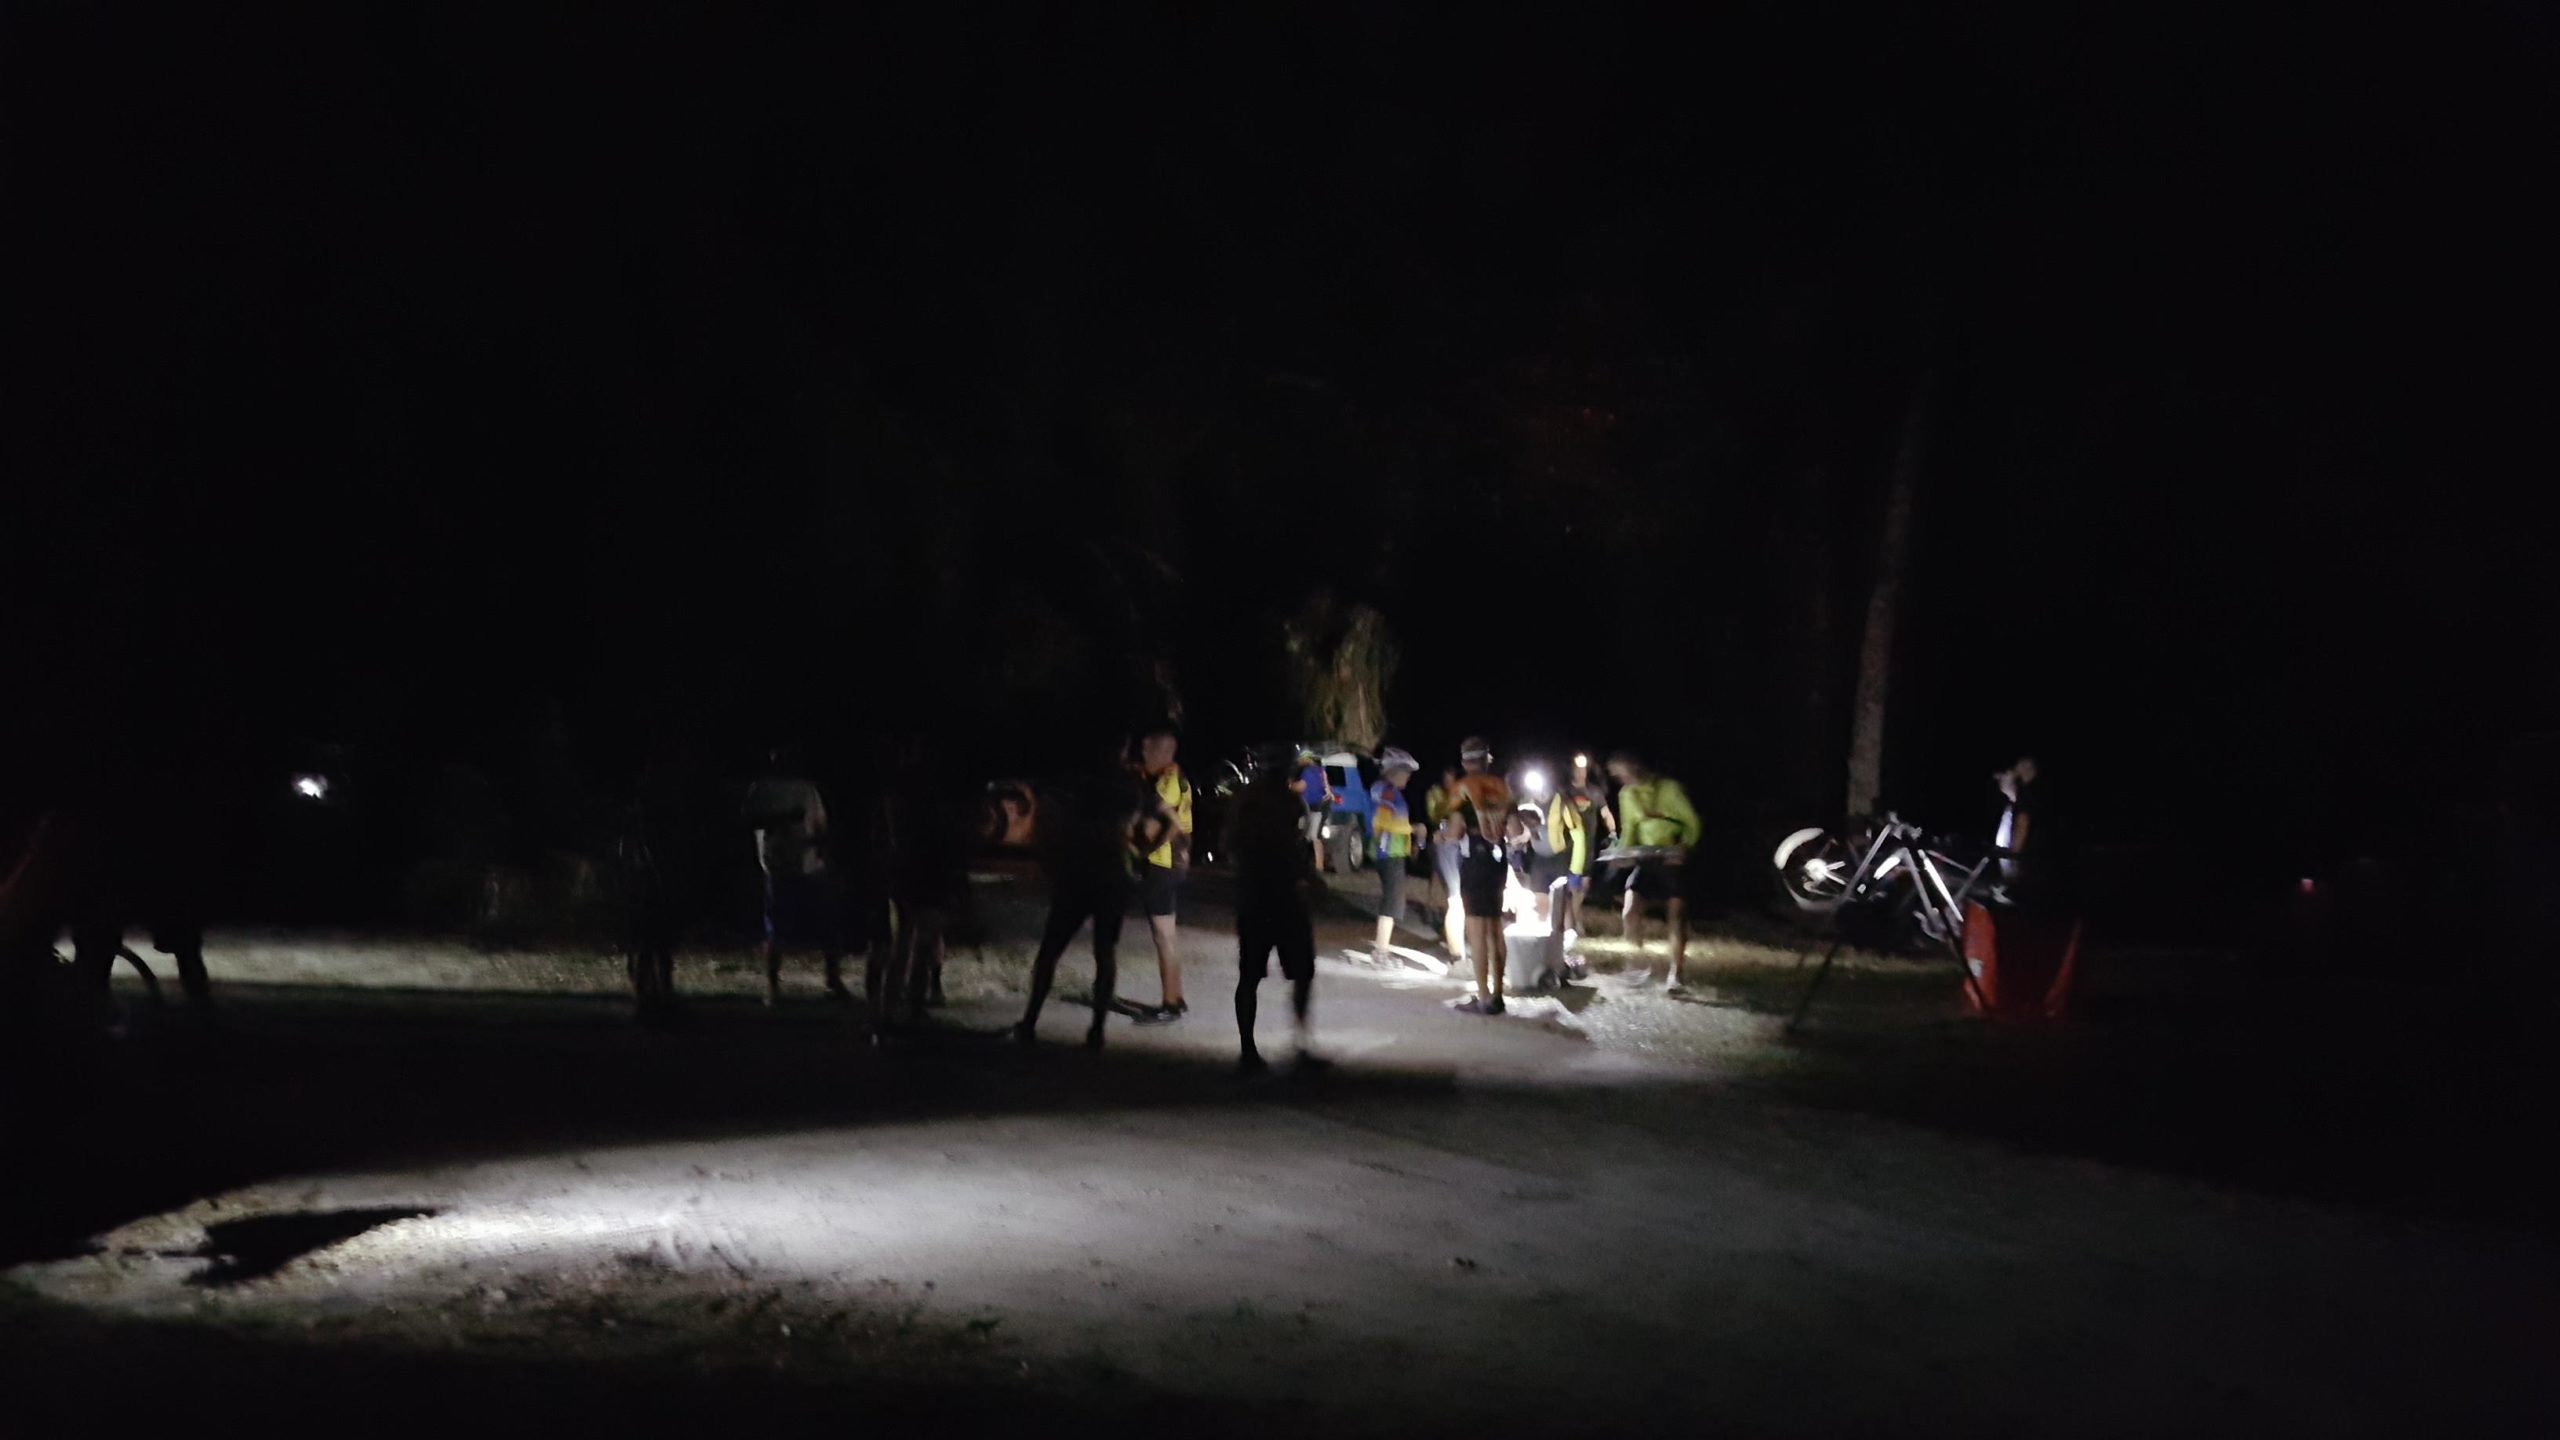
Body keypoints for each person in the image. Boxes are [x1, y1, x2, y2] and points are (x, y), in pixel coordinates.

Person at [1017, 736, 1165, 1050]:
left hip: (1080, 877)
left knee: (1053, 951)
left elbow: (1055, 817)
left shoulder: (1086, 785)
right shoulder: (1128, 787)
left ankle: (1032, 1021)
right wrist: (1143, 853)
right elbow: (1165, 819)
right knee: (1103, 954)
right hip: (1109, 878)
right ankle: (1095, 1030)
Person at [1229, 745, 1328, 1073]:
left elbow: (1229, 845)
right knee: (1298, 972)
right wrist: (1309, 881)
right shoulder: (1286, 802)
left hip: (1257, 895)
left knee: (1253, 976)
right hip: (1280, 896)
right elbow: (1297, 851)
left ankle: (1250, 1050)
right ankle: (1294, 1046)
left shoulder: (1246, 801)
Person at [744, 748, 847, 1006]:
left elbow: (821, 825)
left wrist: (821, 849)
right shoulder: (761, 789)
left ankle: (833, 980)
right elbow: (748, 820)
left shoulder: (807, 789)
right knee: (775, 928)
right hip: (777, 866)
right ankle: (772, 985)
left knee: (828, 924)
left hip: (810, 865)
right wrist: (784, 820)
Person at [1606, 751, 1702, 988]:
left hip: (1672, 859)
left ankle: (1676, 975)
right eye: (1617, 775)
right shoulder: (1626, 795)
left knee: (1676, 916)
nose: (1620, 778)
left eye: (1622, 772)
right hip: (1646, 860)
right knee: (1629, 911)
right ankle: (1637, 965)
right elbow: (1629, 831)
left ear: (1636, 767)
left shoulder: (1669, 789)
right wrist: (1621, 854)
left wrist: (1684, 847)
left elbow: (1693, 823)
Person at [1130, 722, 1195, 1024]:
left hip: (1162, 864)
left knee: (1163, 937)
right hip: (1175, 864)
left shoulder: (1167, 783)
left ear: (1160, 751)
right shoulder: (1177, 778)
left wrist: (1144, 850)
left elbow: (1171, 825)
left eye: (1146, 749)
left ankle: (1169, 1004)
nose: (1142, 753)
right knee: (1168, 935)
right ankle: (1176, 997)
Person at [1447, 807, 1510, 1014]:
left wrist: (1442, 834)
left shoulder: (1465, 800)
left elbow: (1455, 833)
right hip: (1498, 863)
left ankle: (1484, 997)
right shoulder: (1499, 796)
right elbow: (1517, 830)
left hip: (1475, 864)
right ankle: (1498, 994)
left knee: (1477, 934)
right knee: (1495, 929)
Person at [1546, 769, 1606, 971]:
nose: (1580, 772)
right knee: (1569, 891)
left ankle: (1574, 921)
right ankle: (1573, 926)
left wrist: (1613, 830)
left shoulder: (1594, 792)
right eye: (1577, 768)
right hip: (1568, 848)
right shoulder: (1565, 793)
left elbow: (1605, 812)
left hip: (1587, 847)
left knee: (1582, 888)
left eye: (1584, 768)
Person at [1368, 747, 1422, 961]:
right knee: (1392, 900)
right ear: (1395, 771)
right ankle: (1380, 952)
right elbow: (1386, 821)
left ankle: (1382, 950)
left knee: (1392, 900)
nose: (1408, 777)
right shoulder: (1389, 791)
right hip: (1389, 852)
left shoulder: (1382, 789)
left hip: (1386, 851)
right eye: (1406, 772)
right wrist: (1414, 829)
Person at [1427, 766, 1466, 956]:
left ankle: (1456, 949)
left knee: (1456, 901)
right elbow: (1450, 826)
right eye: (1446, 777)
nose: (1448, 781)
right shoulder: (1445, 797)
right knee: (1455, 902)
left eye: (1451, 777)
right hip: (1448, 849)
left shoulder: (1458, 796)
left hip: (1451, 848)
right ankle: (1457, 955)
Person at [1294, 749, 1338, 872]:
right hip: (1320, 807)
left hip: (1313, 808)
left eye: (1301, 760)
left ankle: (1316, 866)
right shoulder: (1320, 771)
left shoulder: (1308, 772)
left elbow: (1302, 786)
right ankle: (1318, 865)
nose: (1299, 763)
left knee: (1310, 836)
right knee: (1315, 837)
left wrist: (1290, 786)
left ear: (1306, 759)